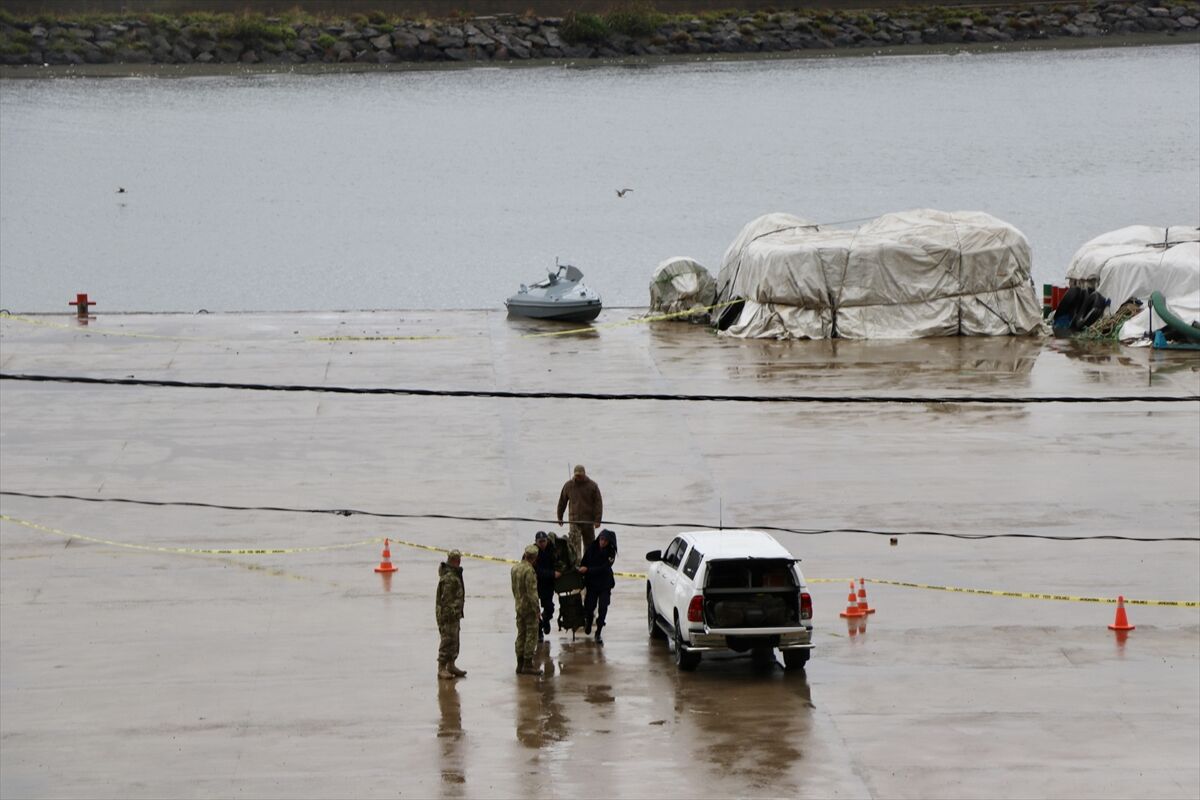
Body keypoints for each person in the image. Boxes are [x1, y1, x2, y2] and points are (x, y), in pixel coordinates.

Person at [556, 464, 603, 566]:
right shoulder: (568, 485)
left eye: (580, 475)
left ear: (584, 474)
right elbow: (562, 501)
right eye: (577, 475)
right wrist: (560, 516)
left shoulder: (592, 486)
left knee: (590, 546)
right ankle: (576, 566)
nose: (578, 477)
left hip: (588, 521)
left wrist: (598, 520)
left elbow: (598, 504)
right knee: (574, 546)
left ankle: (588, 565)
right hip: (574, 522)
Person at [577, 530, 616, 643]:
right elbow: (584, 562)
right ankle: (588, 622)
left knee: (603, 608)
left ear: (609, 542)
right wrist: (582, 570)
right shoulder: (592, 548)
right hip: (592, 584)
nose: (602, 542)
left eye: (605, 540)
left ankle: (598, 632)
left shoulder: (611, 552)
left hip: (605, 584)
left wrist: (588, 570)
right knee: (589, 608)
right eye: (601, 539)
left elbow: (604, 568)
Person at [435, 549, 467, 679]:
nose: (459, 562)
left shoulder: (454, 574)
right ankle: (442, 667)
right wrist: (450, 614)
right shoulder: (449, 577)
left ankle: (451, 664)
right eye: (458, 560)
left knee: (454, 640)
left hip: (454, 614)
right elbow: (446, 600)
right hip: (448, 615)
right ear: (454, 560)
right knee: (447, 640)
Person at [511, 544, 542, 675]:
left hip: (518, 605)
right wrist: (537, 609)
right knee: (531, 635)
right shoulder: (529, 571)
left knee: (521, 634)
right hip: (529, 608)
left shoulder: (515, 568)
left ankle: (519, 664)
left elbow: (514, 588)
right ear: (534, 558)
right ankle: (527, 664)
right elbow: (532, 593)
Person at [533, 531, 560, 639]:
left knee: (549, 608)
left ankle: (546, 619)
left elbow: (558, 562)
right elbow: (536, 570)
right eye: (540, 542)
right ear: (536, 542)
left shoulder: (552, 549)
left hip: (548, 585)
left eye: (544, 541)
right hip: (535, 585)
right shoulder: (532, 552)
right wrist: (552, 574)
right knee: (535, 610)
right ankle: (539, 631)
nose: (542, 543)